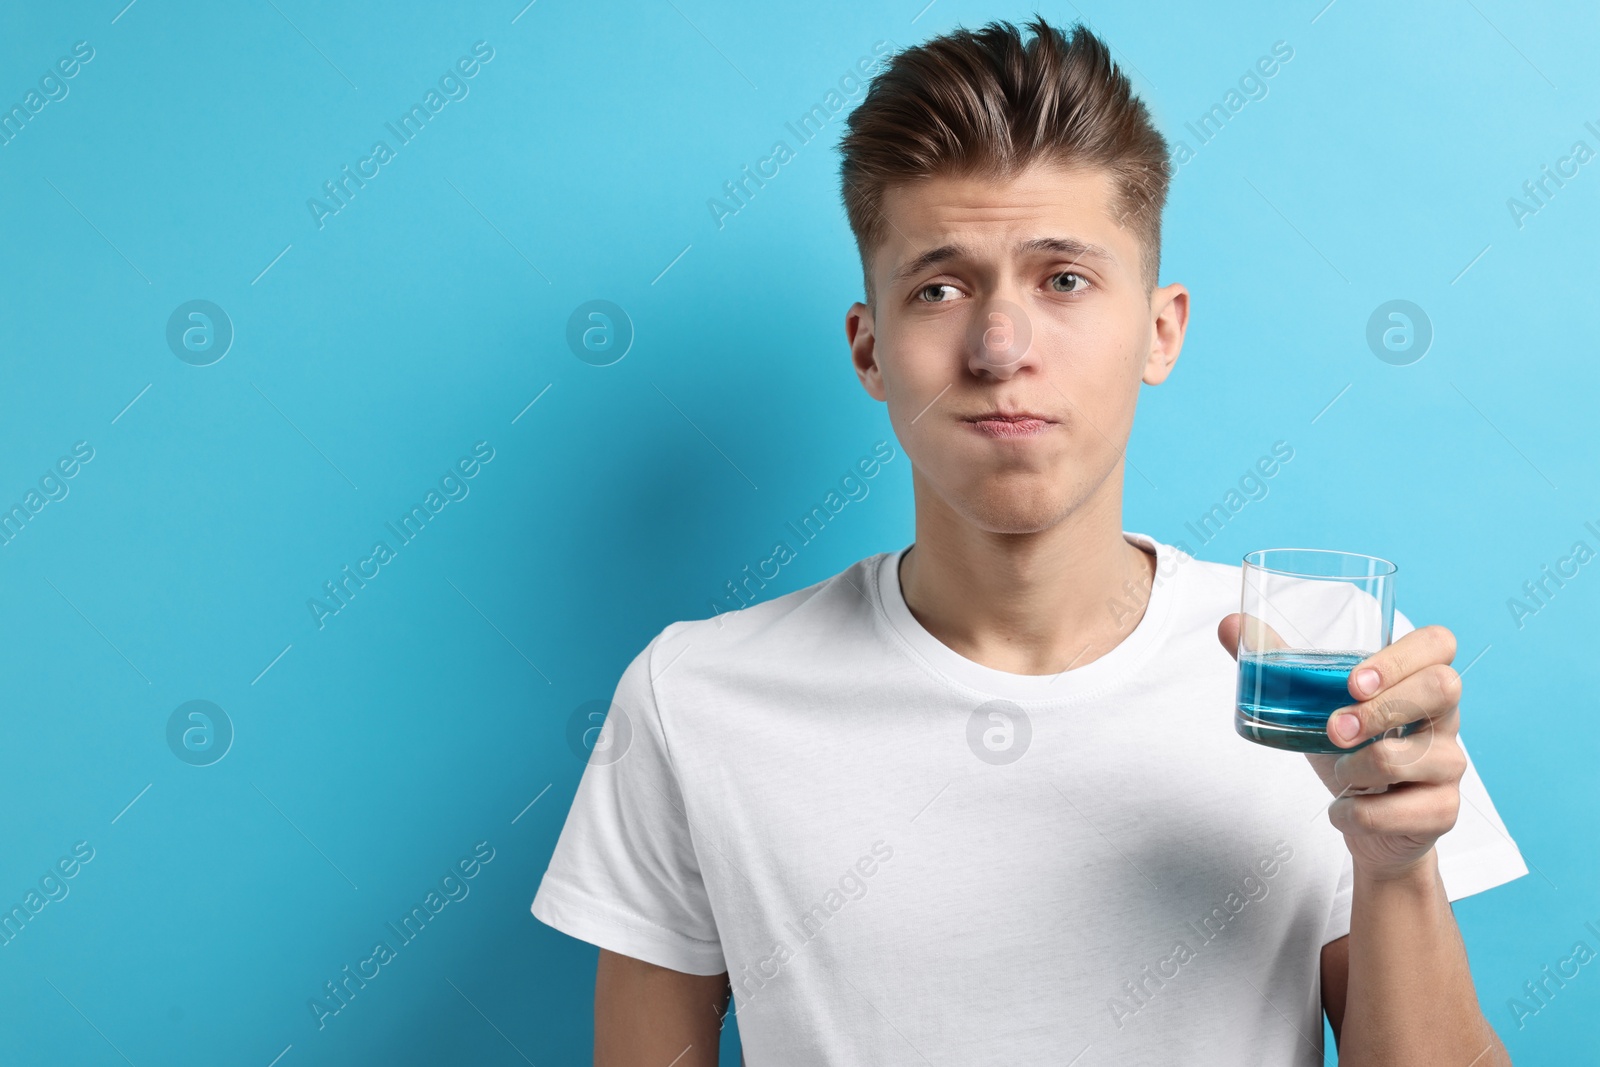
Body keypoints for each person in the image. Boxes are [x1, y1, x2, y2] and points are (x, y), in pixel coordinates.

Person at [532, 16, 1526, 1065]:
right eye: (939, 288)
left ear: (1159, 329)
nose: (1000, 347)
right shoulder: (696, 697)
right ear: (870, 350)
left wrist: (1397, 865)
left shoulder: (1323, 659)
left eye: (1062, 279)